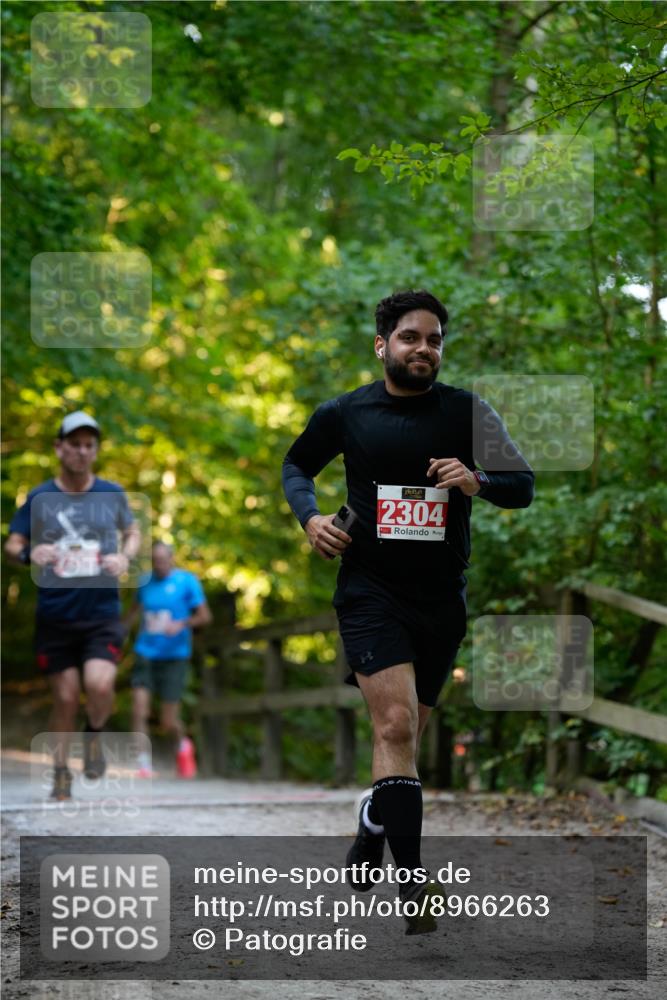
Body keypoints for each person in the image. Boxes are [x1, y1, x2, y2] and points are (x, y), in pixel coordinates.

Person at [282, 289, 534, 934]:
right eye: (411, 337)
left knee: (407, 739)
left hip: (441, 599)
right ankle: (415, 883)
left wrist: (478, 480)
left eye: (434, 340)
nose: (424, 348)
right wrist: (310, 518)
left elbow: (522, 485)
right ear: (382, 345)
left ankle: (373, 822)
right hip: (370, 590)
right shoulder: (346, 412)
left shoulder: (467, 413)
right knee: (393, 727)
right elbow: (297, 466)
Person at [5, 411, 141, 800]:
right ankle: (61, 773)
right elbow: (12, 544)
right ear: (59, 448)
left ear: (95, 451)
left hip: (101, 613)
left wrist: (125, 557)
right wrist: (30, 552)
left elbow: (132, 532)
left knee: (100, 684)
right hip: (56, 616)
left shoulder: (112, 493)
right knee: (65, 698)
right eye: (75, 444)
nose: (82, 451)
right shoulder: (39, 497)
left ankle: (94, 733)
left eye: (89, 445)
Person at [125, 541, 212, 778]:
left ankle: (183, 745)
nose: (159, 565)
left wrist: (182, 624)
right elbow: (133, 613)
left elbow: (205, 617)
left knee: (168, 720)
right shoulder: (144, 582)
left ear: (171, 559)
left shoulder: (187, 582)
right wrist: (119, 634)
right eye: (155, 561)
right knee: (138, 709)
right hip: (145, 653)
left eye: (163, 560)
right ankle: (143, 764)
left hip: (174, 656)